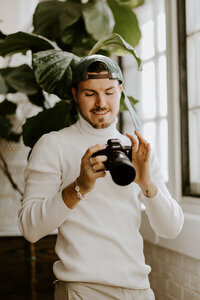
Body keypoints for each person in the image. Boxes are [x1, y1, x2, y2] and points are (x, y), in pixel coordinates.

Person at [18, 54, 184, 300]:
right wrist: (79, 188)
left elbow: (170, 228)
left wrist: (146, 183)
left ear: (120, 90)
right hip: (82, 289)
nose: (101, 102)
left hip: (138, 289)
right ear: (75, 95)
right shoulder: (54, 144)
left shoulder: (136, 148)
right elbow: (30, 228)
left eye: (108, 91)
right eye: (90, 93)